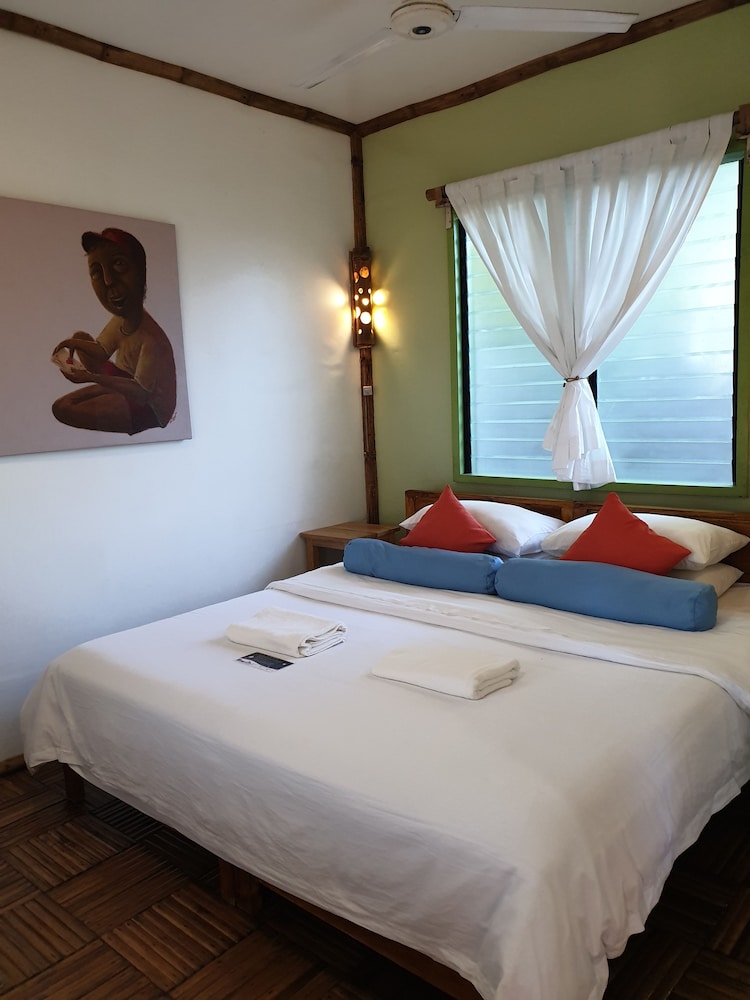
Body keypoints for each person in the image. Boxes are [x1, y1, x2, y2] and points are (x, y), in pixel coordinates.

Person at [51, 228, 177, 434]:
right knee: (80, 338)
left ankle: (108, 389)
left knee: (63, 408)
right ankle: (106, 385)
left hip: (149, 406)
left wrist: (91, 377)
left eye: (119, 264)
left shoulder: (151, 339)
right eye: (96, 272)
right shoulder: (120, 321)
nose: (108, 280)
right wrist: (71, 343)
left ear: (141, 272)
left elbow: (141, 393)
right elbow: (101, 351)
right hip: (127, 380)